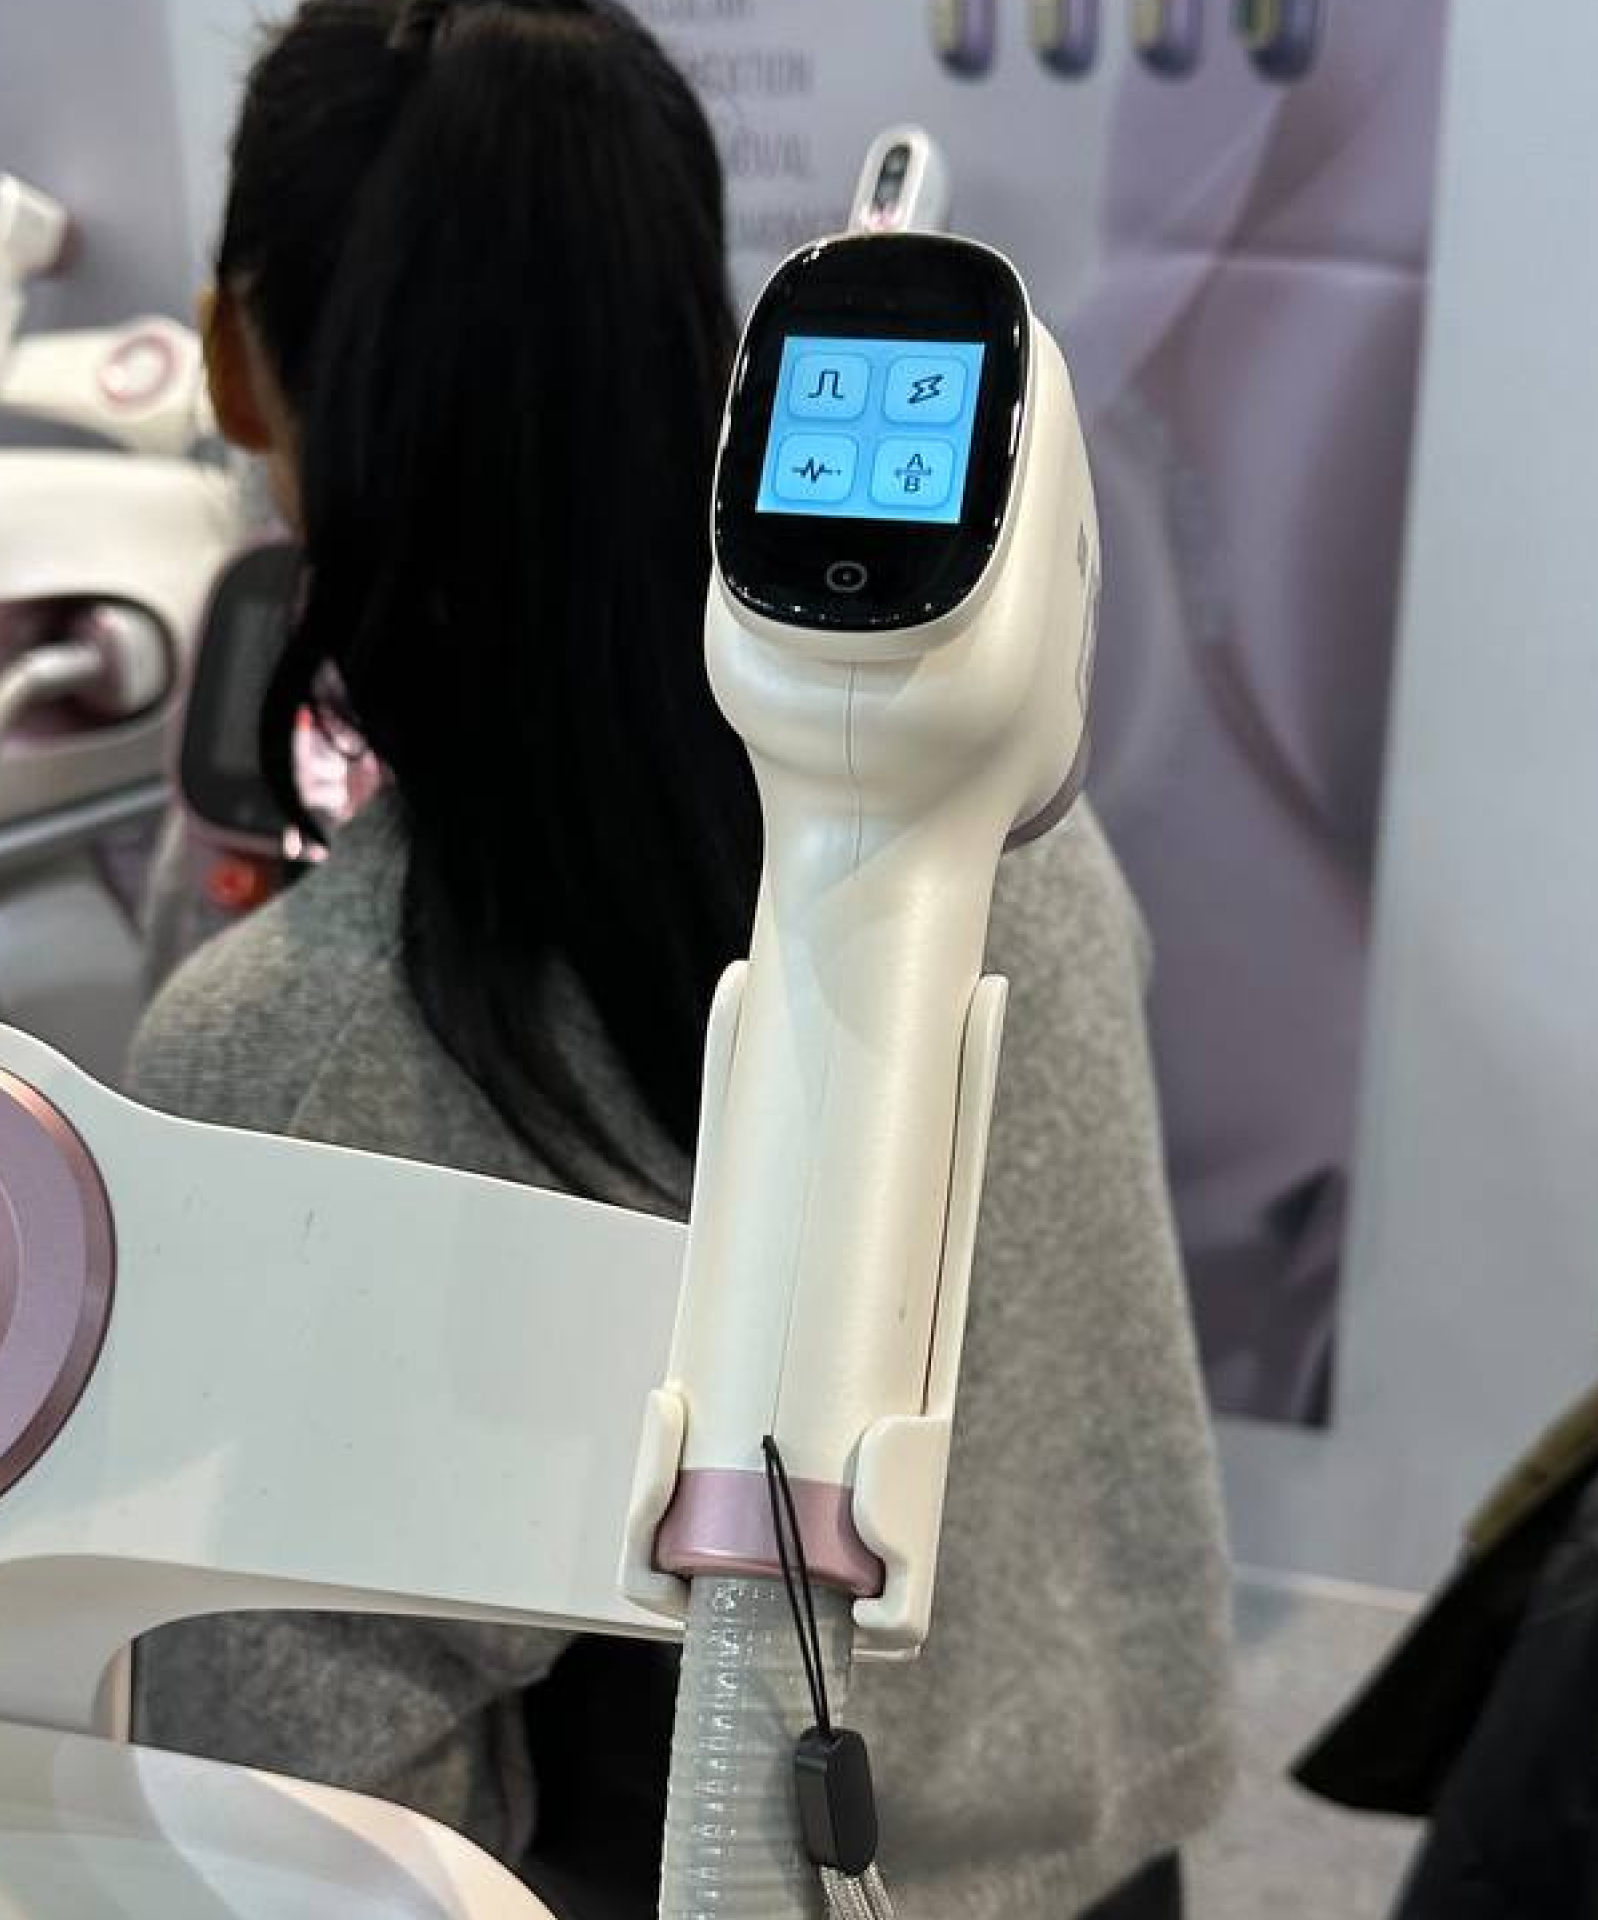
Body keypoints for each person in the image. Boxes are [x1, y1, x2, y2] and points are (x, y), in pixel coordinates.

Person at [127, 3, 1235, 1914]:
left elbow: (309, 1841)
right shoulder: (1009, 811)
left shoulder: (298, 1052)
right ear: (716, 353)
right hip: (1099, 1856)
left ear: (236, 361)